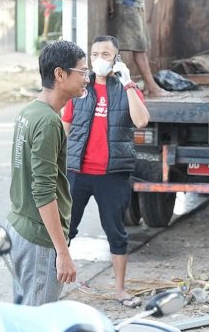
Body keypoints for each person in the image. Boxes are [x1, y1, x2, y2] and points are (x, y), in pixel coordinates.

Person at [61, 35, 150, 308]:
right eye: (95, 53)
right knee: (65, 230)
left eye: (106, 54)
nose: (99, 58)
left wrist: (128, 82)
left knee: (116, 232)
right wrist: (57, 167)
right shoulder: (79, 89)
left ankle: (120, 290)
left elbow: (142, 120)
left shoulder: (125, 88)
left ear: (117, 58)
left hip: (113, 174)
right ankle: (54, 287)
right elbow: (63, 129)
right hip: (77, 172)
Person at [6, 40, 87, 305]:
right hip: (39, 241)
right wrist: (62, 253)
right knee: (37, 320)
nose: (86, 78)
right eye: (82, 72)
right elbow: (43, 191)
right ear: (60, 74)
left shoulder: (30, 111)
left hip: (19, 229)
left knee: (24, 315)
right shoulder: (50, 122)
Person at [92, 0, 172, 97]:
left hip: (135, 3)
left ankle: (148, 86)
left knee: (140, 47)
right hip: (127, 4)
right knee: (139, 49)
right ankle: (151, 87)